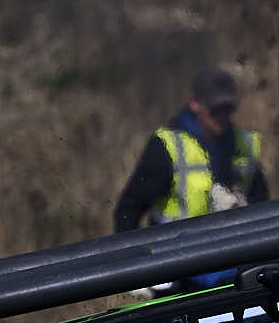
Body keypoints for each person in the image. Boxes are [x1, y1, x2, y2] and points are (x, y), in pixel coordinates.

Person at [113, 66, 269, 233]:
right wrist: (143, 249)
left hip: (233, 245)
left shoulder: (244, 145)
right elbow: (128, 211)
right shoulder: (166, 148)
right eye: (216, 109)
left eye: (228, 109)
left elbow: (262, 206)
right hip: (177, 248)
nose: (222, 116)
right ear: (195, 104)